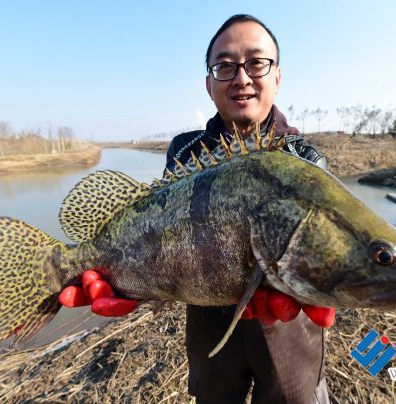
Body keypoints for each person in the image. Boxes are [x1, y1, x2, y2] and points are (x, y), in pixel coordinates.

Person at [59, 14, 335, 404]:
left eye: (257, 63)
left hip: (287, 322)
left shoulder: (305, 161)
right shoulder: (186, 152)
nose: (241, 77)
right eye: (225, 66)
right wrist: (139, 284)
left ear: (277, 77)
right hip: (208, 321)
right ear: (209, 83)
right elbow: (165, 238)